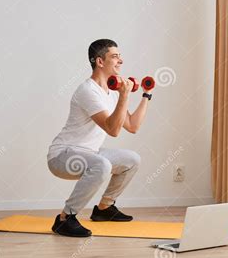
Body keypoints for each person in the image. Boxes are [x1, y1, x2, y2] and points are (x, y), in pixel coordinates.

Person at [47, 39, 153, 237]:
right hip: (62, 156)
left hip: (90, 153)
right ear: (100, 62)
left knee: (132, 159)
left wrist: (146, 95)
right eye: (115, 56)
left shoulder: (111, 93)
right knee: (102, 165)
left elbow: (133, 126)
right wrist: (124, 95)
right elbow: (113, 130)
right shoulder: (88, 91)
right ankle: (64, 218)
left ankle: (104, 209)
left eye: (120, 56)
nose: (120, 60)